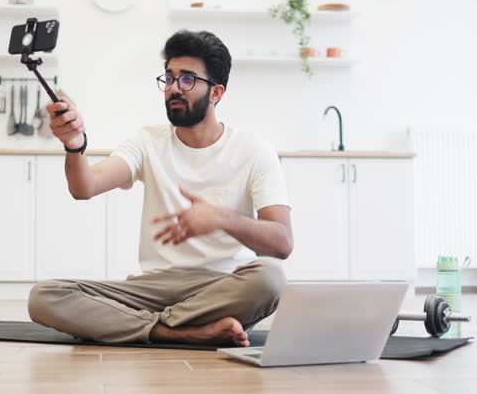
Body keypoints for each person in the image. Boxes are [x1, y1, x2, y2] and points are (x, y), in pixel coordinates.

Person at [27, 30, 293, 347]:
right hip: (153, 287)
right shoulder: (147, 142)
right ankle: (183, 331)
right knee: (45, 296)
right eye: (169, 78)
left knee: (270, 278)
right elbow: (85, 187)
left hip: (223, 288)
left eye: (187, 80)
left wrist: (221, 219)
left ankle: (144, 327)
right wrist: (74, 146)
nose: (173, 89)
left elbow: (282, 242)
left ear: (217, 92)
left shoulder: (254, 150)